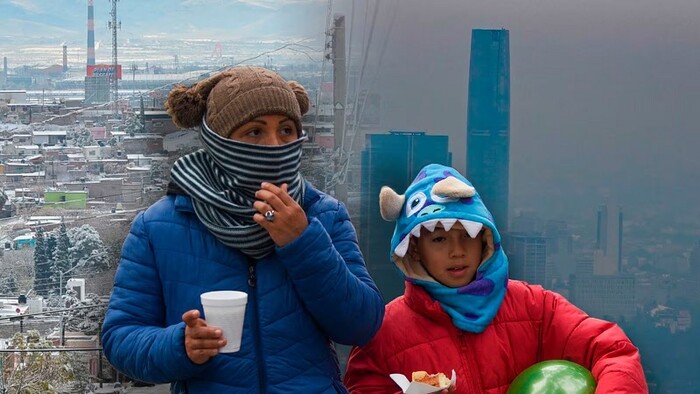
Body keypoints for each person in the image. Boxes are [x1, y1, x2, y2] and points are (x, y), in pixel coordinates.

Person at [101, 66, 384, 393]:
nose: (275, 145)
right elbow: (120, 338)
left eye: (287, 130)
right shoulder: (159, 227)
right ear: (219, 141)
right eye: (255, 132)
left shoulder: (324, 215)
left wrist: (303, 243)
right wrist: (181, 345)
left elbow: (362, 325)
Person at [343, 163, 647, 393]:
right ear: (415, 250)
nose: (457, 252)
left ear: (486, 240)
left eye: (468, 235)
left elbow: (613, 351)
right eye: (439, 240)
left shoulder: (533, 307)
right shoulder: (383, 333)